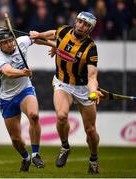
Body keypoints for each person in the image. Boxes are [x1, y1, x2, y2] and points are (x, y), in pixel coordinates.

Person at [30, 11, 103, 174]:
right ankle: (65, 146)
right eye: (79, 22)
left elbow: (92, 76)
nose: (81, 26)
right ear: (75, 21)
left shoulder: (91, 48)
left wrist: (93, 91)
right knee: (62, 116)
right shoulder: (64, 31)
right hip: (63, 83)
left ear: (90, 29)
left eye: (85, 24)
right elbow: (53, 34)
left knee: (90, 130)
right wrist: (38, 35)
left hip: (83, 89)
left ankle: (93, 159)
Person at [0, 28, 52, 172]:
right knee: (16, 139)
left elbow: (36, 38)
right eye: (5, 42)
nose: (9, 44)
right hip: (7, 98)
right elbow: (7, 72)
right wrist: (23, 72)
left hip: (25, 90)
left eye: (10, 40)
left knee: (34, 115)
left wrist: (54, 46)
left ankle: (36, 154)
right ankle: (26, 158)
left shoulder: (21, 42)